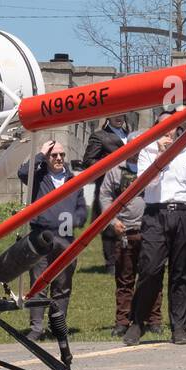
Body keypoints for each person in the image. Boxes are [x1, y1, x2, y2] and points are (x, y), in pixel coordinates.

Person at [122, 113, 186, 346]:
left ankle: (179, 327)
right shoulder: (147, 152)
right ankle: (138, 323)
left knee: (182, 273)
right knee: (150, 269)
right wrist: (160, 155)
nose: (168, 131)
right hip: (156, 213)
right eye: (163, 127)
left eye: (172, 126)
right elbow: (146, 183)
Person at [18, 140, 88, 342]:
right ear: (47, 158)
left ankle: (58, 326)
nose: (58, 158)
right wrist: (40, 154)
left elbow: (82, 208)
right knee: (39, 283)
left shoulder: (73, 180)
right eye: (53, 155)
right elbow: (22, 173)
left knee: (63, 285)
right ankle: (37, 328)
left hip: (66, 240)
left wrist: (76, 219)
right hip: (41, 238)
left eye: (61, 155)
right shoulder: (38, 178)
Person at [98, 160, 157, 337]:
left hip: (149, 230)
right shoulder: (115, 171)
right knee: (124, 278)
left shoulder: (152, 165)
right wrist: (112, 221)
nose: (138, 152)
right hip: (124, 231)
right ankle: (122, 321)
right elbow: (105, 196)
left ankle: (154, 319)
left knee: (152, 276)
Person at [83, 114, 133, 274]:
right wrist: (111, 161)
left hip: (130, 183)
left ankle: (129, 260)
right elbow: (88, 161)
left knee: (130, 222)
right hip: (108, 185)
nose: (119, 118)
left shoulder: (129, 134)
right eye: (115, 115)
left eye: (122, 115)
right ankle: (111, 263)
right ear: (109, 117)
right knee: (109, 223)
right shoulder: (99, 136)